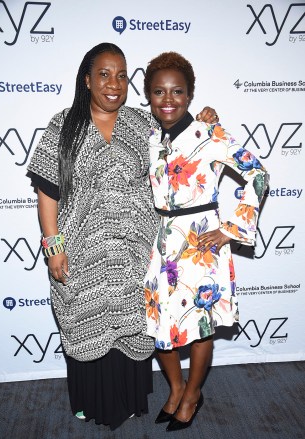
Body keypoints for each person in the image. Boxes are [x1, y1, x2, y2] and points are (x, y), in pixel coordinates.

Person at [27, 43, 218, 430]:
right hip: (81, 254)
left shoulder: (141, 124)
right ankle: (91, 401)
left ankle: (131, 399)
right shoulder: (62, 126)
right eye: (104, 74)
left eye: (121, 75)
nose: (114, 84)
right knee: (88, 323)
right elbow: (47, 193)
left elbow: (182, 145)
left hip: (138, 253)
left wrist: (205, 120)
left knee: (131, 326)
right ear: (87, 80)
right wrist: (53, 247)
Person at [143, 52, 269, 431]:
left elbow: (258, 175)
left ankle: (193, 394)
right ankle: (176, 387)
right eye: (159, 92)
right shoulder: (151, 140)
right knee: (160, 328)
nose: (168, 99)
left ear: (190, 94)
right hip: (163, 244)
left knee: (199, 325)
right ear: (148, 96)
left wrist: (232, 228)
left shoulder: (210, 135)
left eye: (177, 91)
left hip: (201, 246)